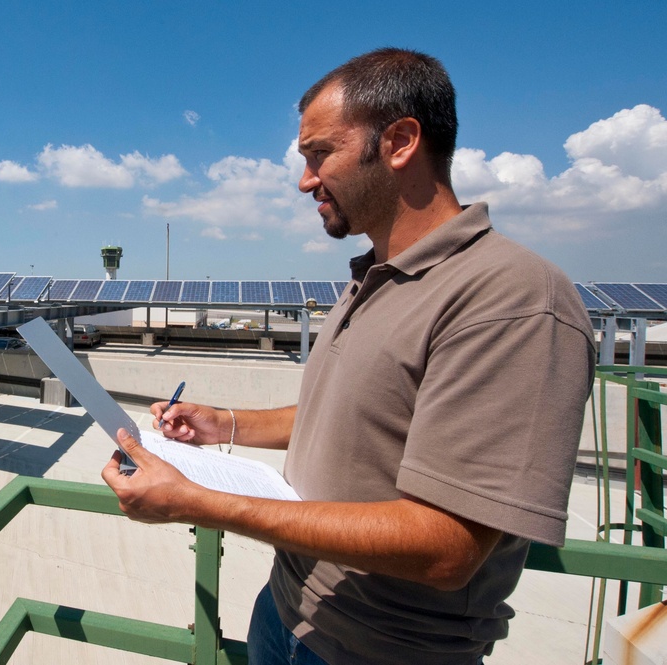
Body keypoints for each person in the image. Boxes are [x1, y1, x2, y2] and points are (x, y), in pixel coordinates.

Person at [102, 48, 595, 665]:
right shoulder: (374, 278)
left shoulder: (512, 300)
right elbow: (350, 412)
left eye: (319, 155)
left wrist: (196, 502)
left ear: (399, 141)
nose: (306, 179)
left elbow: (445, 546)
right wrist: (226, 424)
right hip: (286, 610)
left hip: (377, 648)